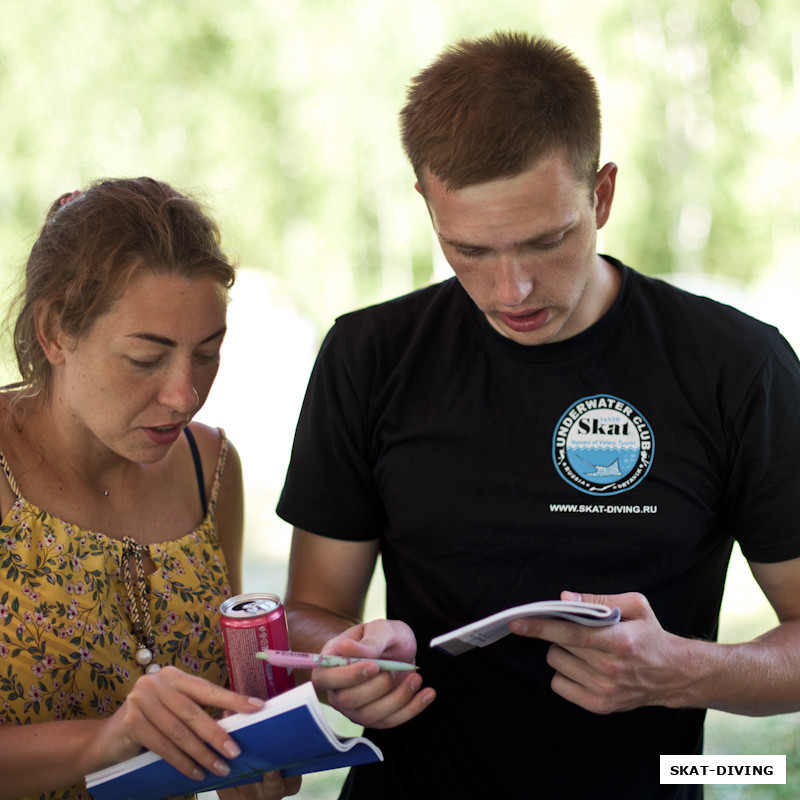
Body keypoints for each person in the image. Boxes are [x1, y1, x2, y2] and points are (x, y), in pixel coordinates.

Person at [276, 31, 800, 799]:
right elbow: (310, 612)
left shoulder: (734, 365)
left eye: (546, 241)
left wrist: (686, 670)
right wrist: (345, 658)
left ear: (604, 194)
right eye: (470, 250)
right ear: (426, 201)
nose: (511, 290)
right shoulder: (369, 355)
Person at [0, 178, 300, 800]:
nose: (184, 396)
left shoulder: (210, 466)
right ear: (54, 332)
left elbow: (226, 691)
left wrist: (247, 761)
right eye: (145, 358)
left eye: (208, 354)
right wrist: (104, 740)